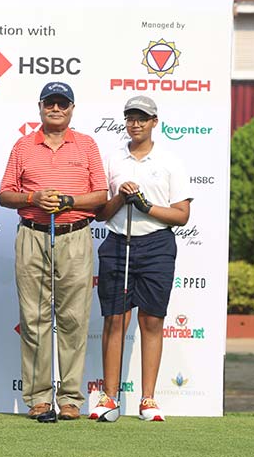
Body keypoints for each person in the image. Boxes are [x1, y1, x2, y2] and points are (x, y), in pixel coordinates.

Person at [0, 81, 107, 421]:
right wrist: (33, 198)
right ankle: (39, 398)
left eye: (63, 103)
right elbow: (4, 195)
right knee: (34, 320)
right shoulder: (22, 146)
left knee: (74, 319)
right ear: (40, 107)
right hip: (32, 234)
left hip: (75, 235)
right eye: (50, 103)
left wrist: (69, 201)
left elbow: (101, 194)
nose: (56, 108)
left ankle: (71, 399)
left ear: (72, 109)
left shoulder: (87, 145)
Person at [89, 96, 191, 422]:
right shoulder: (112, 159)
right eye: (131, 118)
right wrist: (121, 196)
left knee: (151, 320)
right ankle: (108, 397)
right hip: (119, 242)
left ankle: (148, 399)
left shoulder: (171, 160)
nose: (136, 124)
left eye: (142, 118)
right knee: (115, 320)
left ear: (154, 122)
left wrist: (146, 206)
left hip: (157, 245)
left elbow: (182, 215)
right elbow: (101, 213)